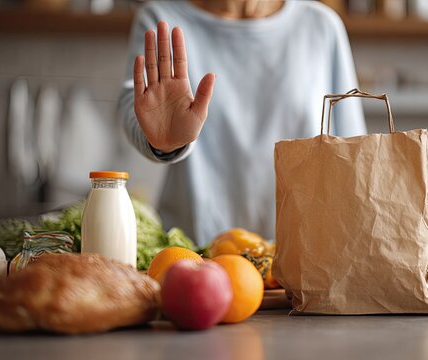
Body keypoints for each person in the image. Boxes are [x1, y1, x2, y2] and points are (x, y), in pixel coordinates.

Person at [117, 0, 366, 247]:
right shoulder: (161, 18)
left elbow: (353, 149)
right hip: (194, 258)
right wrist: (164, 142)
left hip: (304, 259)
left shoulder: (321, 25)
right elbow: (133, 102)